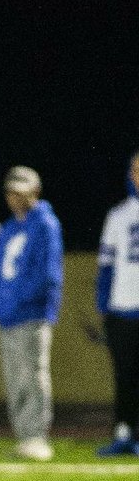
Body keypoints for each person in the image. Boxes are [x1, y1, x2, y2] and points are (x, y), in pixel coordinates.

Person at [0, 166, 63, 462]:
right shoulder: (9, 228)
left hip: (31, 314)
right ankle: (23, 435)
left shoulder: (45, 224)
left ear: (35, 192)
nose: (15, 199)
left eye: (21, 192)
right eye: (11, 193)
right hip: (7, 316)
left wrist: (21, 302)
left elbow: (47, 273)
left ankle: (36, 435)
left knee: (32, 375)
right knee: (15, 378)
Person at [95, 151, 139, 456]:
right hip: (122, 306)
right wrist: (103, 305)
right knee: (124, 375)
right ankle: (124, 431)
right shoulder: (118, 214)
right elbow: (107, 265)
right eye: (135, 169)